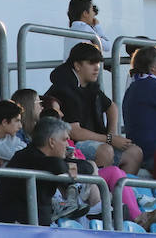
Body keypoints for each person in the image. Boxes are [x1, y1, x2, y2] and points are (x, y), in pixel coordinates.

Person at [46, 41, 141, 172]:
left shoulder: (89, 85)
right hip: (69, 145)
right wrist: (109, 139)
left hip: (96, 140)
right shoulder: (64, 89)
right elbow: (75, 132)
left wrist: (111, 133)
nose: (97, 67)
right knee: (105, 150)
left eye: (97, 63)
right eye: (91, 63)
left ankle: (122, 191)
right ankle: (100, 191)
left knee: (135, 152)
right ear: (77, 66)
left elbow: (111, 107)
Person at [0, 116, 74, 225]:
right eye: (65, 140)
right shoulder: (26, 157)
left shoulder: (40, 158)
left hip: (35, 227)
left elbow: (84, 167)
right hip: (13, 229)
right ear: (51, 142)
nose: (67, 145)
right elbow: (58, 165)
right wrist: (69, 169)